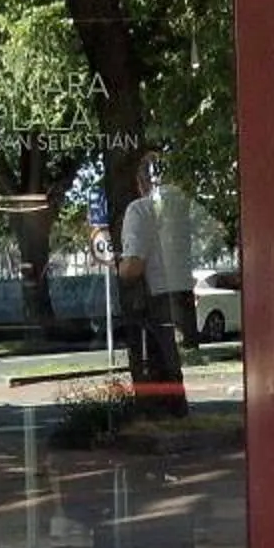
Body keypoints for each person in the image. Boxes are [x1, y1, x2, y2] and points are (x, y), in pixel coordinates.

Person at [115, 148, 198, 420]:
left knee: (157, 364)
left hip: (156, 297)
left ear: (140, 183)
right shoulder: (185, 206)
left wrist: (119, 267)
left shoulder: (139, 210)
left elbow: (134, 265)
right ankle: (179, 415)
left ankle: (163, 418)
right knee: (174, 365)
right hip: (184, 292)